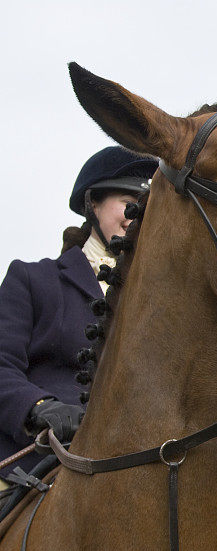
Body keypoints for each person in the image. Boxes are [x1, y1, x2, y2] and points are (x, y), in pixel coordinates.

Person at [0, 146, 155, 490]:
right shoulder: (32, 280)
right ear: (92, 204)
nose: (138, 214)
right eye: (128, 201)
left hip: (143, 462)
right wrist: (39, 407)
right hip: (39, 458)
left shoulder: (165, 297)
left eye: (147, 207)